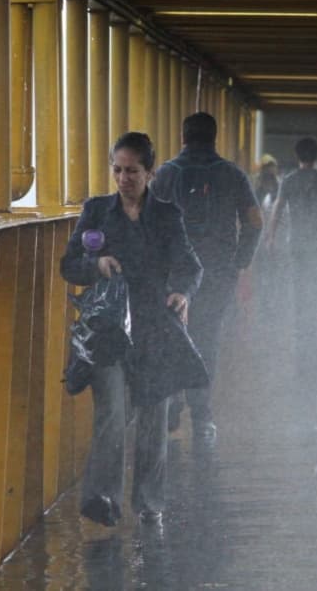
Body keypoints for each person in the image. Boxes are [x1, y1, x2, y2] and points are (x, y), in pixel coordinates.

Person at [61, 131, 203, 527]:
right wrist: (96, 265)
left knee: (154, 416)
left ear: (150, 173)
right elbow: (68, 265)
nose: (124, 178)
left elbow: (190, 265)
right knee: (112, 412)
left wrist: (182, 292)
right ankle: (102, 498)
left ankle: (149, 504)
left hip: (154, 326)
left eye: (133, 171)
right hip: (109, 330)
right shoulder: (96, 211)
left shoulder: (167, 215)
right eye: (118, 170)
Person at [151, 112, 263, 440]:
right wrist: (241, 259)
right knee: (207, 338)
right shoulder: (233, 175)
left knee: (172, 336)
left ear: (183, 138)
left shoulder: (166, 175)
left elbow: (148, 221)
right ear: (214, 138)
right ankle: (201, 415)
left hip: (174, 274)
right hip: (217, 272)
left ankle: (171, 406)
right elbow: (255, 221)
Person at [264, 137, 317, 362]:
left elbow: (277, 209)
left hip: (296, 242)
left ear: (297, 156)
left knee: (299, 284)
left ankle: (301, 325)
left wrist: (271, 237)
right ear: (316, 156)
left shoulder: (289, 180)